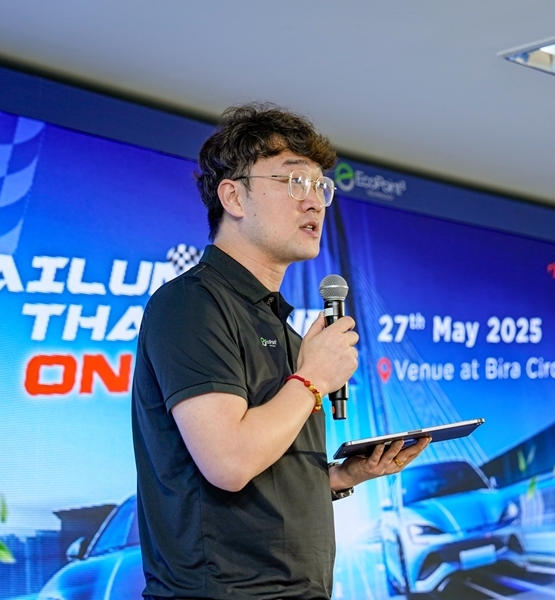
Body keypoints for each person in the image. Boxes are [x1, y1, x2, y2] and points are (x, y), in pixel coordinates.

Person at [131, 103, 429, 600]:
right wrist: (312, 380)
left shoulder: (283, 330)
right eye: (294, 182)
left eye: (320, 186)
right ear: (234, 196)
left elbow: (266, 478)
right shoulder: (191, 303)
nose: (314, 202)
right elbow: (229, 462)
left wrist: (343, 475)